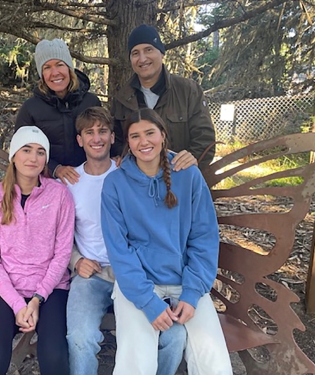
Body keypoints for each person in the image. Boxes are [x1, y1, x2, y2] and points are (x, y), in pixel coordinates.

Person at [101, 108, 232, 375]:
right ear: (128, 142)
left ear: (163, 135)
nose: (143, 142)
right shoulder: (115, 183)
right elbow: (119, 249)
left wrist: (193, 293)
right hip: (139, 284)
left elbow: (204, 238)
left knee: (213, 362)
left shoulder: (189, 175)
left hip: (186, 280)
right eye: (135, 136)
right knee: (137, 363)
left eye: (150, 133)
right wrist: (148, 302)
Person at [65, 107, 187, 375]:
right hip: (92, 274)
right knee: (80, 337)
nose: (96, 138)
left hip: (138, 272)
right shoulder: (69, 181)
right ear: (80, 140)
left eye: (103, 132)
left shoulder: (131, 174)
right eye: (89, 133)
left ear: (112, 138)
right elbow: (59, 235)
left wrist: (185, 158)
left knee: (173, 338)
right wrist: (76, 261)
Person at [0, 126, 75, 375]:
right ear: (13, 156)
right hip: (4, 289)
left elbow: (62, 254)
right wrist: (18, 304)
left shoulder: (60, 195)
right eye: (26, 150)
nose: (33, 158)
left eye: (41, 152)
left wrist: (38, 298)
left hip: (50, 290)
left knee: (55, 359)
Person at [112, 24, 216, 170]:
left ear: (161, 53)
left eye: (148, 50)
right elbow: (116, 143)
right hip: (139, 185)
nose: (142, 59)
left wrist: (191, 159)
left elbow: (205, 140)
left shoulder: (188, 91)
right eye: (135, 53)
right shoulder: (122, 98)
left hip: (179, 179)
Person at [14, 38, 102, 184]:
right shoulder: (31, 108)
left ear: (69, 68)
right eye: (47, 67)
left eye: (60, 65)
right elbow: (21, 151)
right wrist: (55, 169)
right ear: (41, 74)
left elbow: (102, 137)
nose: (55, 73)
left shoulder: (91, 102)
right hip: (47, 181)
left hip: (88, 178)